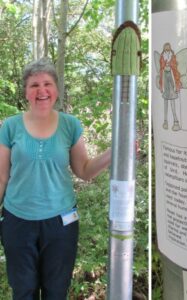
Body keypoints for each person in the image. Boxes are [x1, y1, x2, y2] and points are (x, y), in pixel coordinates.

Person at [0, 58, 111, 300]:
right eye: (34, 85)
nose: (42, 90)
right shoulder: (10, 127)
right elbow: (1, 177)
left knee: (56, 290)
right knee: (23, 289)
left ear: (57, 90)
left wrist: (115, 152)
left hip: (61, 222)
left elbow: (84, 170)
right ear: (26, 92)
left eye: (47, 84)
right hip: (17, 221)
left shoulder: (70, 125)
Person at [159, 42, 182, 131]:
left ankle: (175, 121)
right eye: (166, 49)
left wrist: (176, 85)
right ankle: (165, 121)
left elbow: (175, 67)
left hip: (171, 79)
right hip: (165, 79)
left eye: (168, 49)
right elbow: (161, 68)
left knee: (172, 101)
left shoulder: (172, 57)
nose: (167, 50)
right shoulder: (162, 57)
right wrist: (165, 66)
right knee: (165, 101)